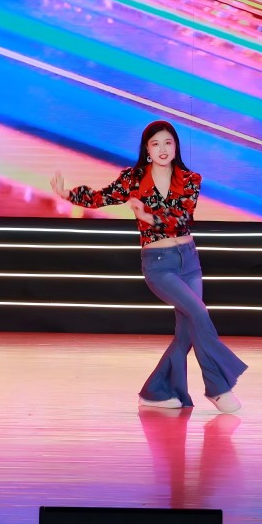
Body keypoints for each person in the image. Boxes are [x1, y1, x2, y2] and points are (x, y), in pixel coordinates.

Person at [53, 120, 246, 412]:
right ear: (147, 149)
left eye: (168, 142)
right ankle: (219, 387)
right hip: (159, 265)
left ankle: (155, 392)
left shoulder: (190, 179)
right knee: (199, 312)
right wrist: (70, 195)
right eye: (155, 144)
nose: (162, 149)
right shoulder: (133, 180)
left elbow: (181, 219)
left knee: (186, 333)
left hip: (189, 260)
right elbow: (102, 197)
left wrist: (148, 217)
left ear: (176, 146)